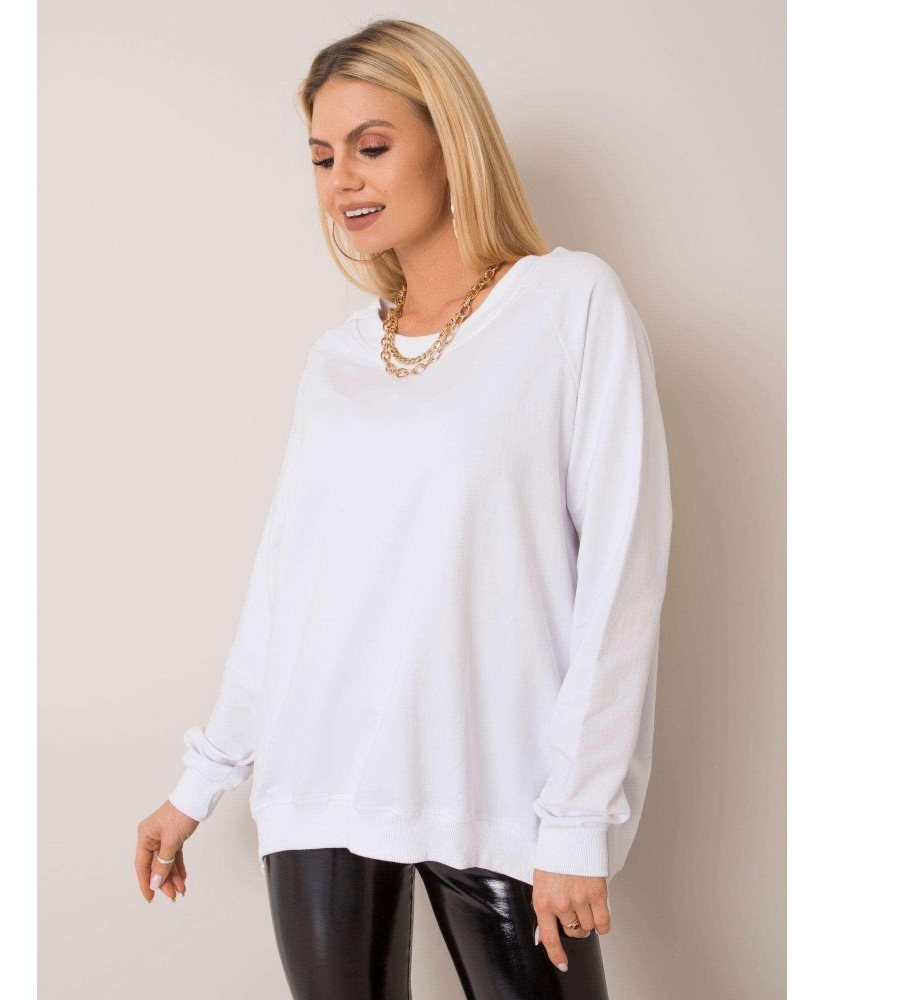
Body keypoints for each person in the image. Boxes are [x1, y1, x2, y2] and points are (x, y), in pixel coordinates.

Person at [134, 18, 673, 1000]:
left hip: (496, 791)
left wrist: (577, 820)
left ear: (449, 142)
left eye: (372, 146)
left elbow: (621, 583)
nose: (342, 179)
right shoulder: (337, 360)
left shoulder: (569, 305)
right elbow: (286, 586)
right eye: (322, 157)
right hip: (319, 784)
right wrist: (198, 784)